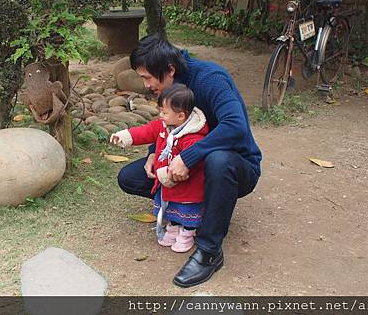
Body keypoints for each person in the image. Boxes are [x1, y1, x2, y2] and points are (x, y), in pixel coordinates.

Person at [117, 35, 262, 288]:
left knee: (218, 161)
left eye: (148, 77)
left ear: (170, 69)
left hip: (237, 166)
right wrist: (154, 151)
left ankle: (209, 251)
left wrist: (189, 156)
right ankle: (193, 210)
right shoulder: (169, 88)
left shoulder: (211, 79)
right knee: (130, 177)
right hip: (193, 169)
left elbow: (235, 126)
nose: (146, 84)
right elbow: (167, 123)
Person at [110, 84, 209, 253]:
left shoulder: (192, 137)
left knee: (186, 208)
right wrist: (125, 136)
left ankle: (186, 234)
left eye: (164, 112)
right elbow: (146, 131)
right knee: (171, 206)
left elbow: (195, 162)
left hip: (186, 185)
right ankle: (173, 227)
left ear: (180, 116)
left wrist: (169, 172)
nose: (160, 116)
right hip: (168, 183)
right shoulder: (164, 126)